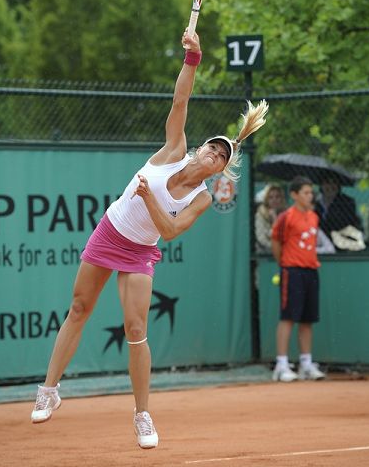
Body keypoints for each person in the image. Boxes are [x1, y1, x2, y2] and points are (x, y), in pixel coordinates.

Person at [30, 30, 269, 449]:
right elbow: (181, 101)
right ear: (197, 149)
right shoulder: (173, 149)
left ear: (221, 171)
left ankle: (142, 415)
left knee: (136, 327)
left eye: (221, 156)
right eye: (211, 147)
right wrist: (191, 59)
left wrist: (145, 196)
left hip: (141, 249)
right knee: (80, 307)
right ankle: (49, 389)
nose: (212, 154)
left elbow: (171, 230)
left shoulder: (201, 200)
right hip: (110, 231)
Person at [271, 176, 325, 383]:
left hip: (311, 271)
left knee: (307, 320)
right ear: (294, 195)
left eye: (311, 192)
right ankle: (282, 365)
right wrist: (285, 264)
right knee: (288, 318)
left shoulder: (314, 217)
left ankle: (306, 364)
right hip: (291, 271)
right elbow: (276, 241)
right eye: (305, 192)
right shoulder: (286, 217)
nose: (310, 196)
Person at [314, 176, 362, 250]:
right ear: (321, 185)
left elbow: (347, 224)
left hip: (341, 242)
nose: (330, 186)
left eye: (334, 182)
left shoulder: (347, 202)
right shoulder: (314, 203)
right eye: (327, 182)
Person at [255, 184, 287, 254]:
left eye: (277, 197)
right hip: (265, 252)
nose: (274, 200)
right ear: (266, 199)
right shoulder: (261, 214)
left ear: (282, 199)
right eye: (270, 197)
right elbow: (262, 239)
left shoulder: (286, 214)